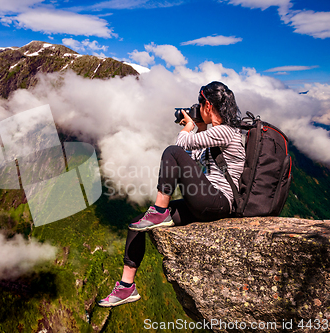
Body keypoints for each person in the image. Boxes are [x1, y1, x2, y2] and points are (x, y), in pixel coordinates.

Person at [97, 81, 245, 307]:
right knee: (137, 223)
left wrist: (188, 128)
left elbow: (180, 145)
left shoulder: (226, 131)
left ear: (207, 104)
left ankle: (159, 210)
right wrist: (198, 128)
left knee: (171, 151)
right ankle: (127, 287)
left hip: (219, 201)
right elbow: (191, 160)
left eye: (199, 104)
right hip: (207, 199)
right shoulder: (216, 133)